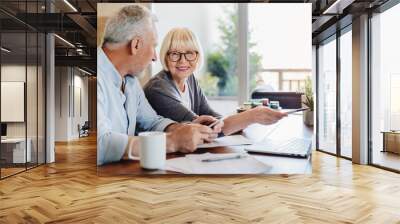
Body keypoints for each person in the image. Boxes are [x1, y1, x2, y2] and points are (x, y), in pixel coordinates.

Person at [97, 6, 220, 165]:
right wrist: (172, 142)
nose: (155, 57)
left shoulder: (131, 82)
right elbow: (100, 143)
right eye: (153, 46)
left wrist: (180, 129)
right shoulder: (95, 77)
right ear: (136, 45)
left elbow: (152, 121)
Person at [144, 27, 287, 136]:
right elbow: (205, 128)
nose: (183, 61)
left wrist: (242, 117)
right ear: (165, 55)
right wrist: (252, 116)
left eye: (189, 53)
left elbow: (213, 116)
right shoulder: (158, 88)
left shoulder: (190, 79)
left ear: (197, 55)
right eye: (175, 54)